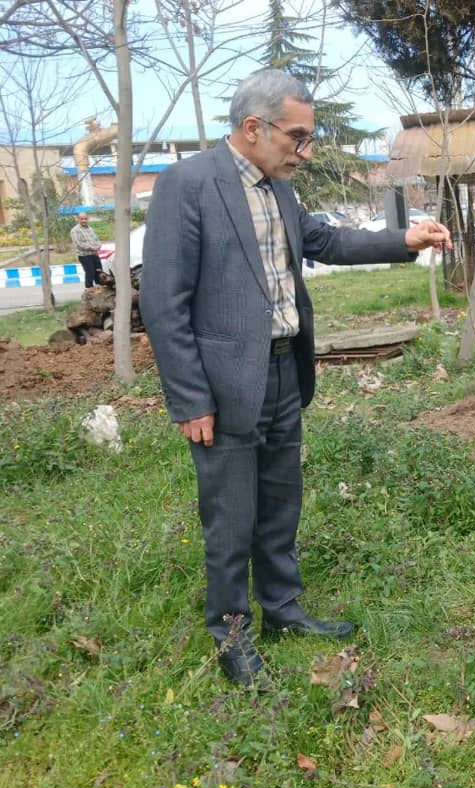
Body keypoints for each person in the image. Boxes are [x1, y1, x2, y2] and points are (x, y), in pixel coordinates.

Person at [139, 69, 452, 685]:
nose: (304, 152)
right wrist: (190, 398)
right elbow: (163, 302)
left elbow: (325, 241)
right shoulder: (188, 184)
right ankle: (230, 635)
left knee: (280, 503)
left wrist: (405, 239)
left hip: (284, 372)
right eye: (297, 137)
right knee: (231, 516)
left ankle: (282, 608)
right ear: (253, 128)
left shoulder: (280, 190)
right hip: (224, 386)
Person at [70, 213, 102, 288]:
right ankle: (89, 291)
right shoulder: (75, 230)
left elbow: (96, 239)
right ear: (78, 219)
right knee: (90, 273)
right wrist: (91, 247)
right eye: (82, 219)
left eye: (85, 219)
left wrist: (99, 245)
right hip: (84, 255)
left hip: (94, 254)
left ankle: (100, 290)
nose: (84, 220)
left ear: (88, 219)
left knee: (99, 272)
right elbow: (78, 244)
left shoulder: (90, 229)